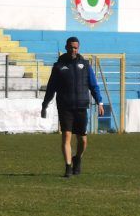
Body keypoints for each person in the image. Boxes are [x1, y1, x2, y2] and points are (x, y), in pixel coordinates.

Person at [41, 36, 104, 178]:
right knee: (66, 136)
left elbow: (93, 85)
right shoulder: (58, 66)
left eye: (75, 47)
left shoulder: (86, 65)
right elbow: (51, 88)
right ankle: (68, 167)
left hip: (81, 105)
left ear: (78, 48)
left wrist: (99, 102)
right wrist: (45, 105)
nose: (73, 50)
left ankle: (78, 158)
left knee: (82, 139)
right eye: (70, 47)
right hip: (65, 106)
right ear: (66, 47)